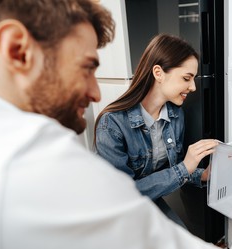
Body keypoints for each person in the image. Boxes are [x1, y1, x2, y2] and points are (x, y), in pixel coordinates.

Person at [0, 0, 232, 249]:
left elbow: (166, 170)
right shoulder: (47, 158)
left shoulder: (174, 115)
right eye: (86, 68)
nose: (97, 93)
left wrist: (199, 175)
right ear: (16, 49)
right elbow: (127, 192)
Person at [93, 34, 218, 227]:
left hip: (146, 201)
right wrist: (185, 167)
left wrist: (201, 174)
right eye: (187, 78)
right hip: (113, 211)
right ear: (158, 73)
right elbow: (122, 195)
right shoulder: (112, 124)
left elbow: (173, 167)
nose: (193, 87)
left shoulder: (175, 115)